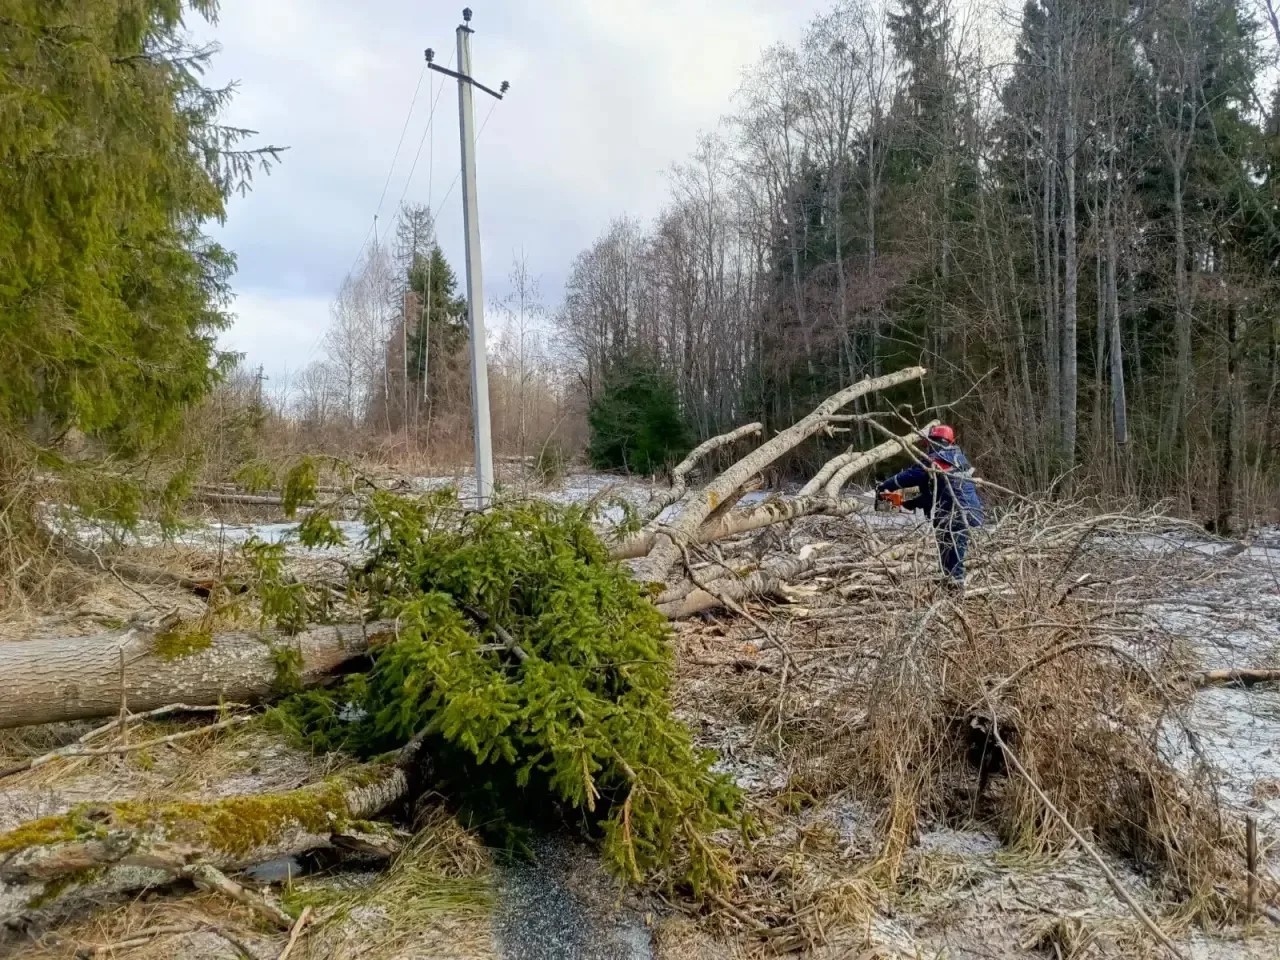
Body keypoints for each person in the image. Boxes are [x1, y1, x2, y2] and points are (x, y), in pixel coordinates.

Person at [875, 424, 984, 588]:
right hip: (966, 510)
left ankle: (955, 588)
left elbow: (909, 476)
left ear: (935, 442)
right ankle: (950, 581)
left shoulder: (937, 459)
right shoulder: (959, 458)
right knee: (952, 550)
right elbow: (926, 487)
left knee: (953, 555)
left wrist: (886, 485)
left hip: (953, 512)